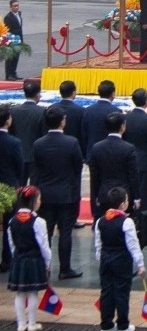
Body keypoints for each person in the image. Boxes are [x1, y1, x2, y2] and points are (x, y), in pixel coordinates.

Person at [30, 106, 83, 280]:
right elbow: (78, 167)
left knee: (45, 232)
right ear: (62, 122)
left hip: (45, 194)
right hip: (67, 194)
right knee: (65, 233)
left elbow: (35, 172)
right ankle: (65, 269)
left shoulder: (38, 144)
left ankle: (43, 267)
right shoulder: (72, 142)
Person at [93, 186, 146, 331]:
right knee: (122, 292)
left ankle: (106, 324)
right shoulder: (126, 222)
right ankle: (123, 325)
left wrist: (101, 258)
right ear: (123, 204)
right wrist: (140, 264)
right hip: (121, 260)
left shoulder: (100, 221)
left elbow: (98, 244)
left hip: (106, 259)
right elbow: (133, 245)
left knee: (107, 291)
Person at [7, 185, 50, 331]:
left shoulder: (12, 221)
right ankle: (31, 324)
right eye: (38, 199)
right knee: (32, 292)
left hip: (19, 259)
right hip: (34, 260)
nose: (40, 201)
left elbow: (12, 243)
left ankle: (21, 324)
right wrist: (47, 262)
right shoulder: (39, 222)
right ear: (33, 202)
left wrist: (16, 258)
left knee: (19, 293)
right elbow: (44, 245)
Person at [87, 112, 140, 216]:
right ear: (122, 126)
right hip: (123, 196)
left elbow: (94, 175)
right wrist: (137, 197)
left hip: (104, 193)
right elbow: (133, 175)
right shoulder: (129, 148)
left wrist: (96, 195)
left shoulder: (96, 147)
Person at [124, 90, 147, 215]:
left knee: (128, 191)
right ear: (146, 101)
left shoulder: (125, 118)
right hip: (144, 163)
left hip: (127, 160)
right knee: (144, 194)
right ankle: (143, 223)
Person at [0, 105, 24, 272]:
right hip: (9, 186)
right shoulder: (14, 142)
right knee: (9, 224)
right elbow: (19, 166)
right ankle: (7, 259)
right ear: (8, 121)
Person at [9, 81, 43, 184]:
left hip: (17, 154)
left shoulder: (13, 111)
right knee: (33, 190)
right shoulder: (41, 112)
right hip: (35, 157)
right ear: (37, 94)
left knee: (18, 187)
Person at [80, 80, 119, 160]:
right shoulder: (117, 111)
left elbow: (83, 134)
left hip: (92, 154)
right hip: (112, 155)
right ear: (113, 93)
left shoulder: (88, 110)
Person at [4, 0, 23, 80]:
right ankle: (9, 75)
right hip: (12, 40)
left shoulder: (19, 14)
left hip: (18, 39)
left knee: (16, 58)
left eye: (17, 5)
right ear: (11, 7)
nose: (16, 7)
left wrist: (21, 40)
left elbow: (19, 28)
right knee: (10, 58)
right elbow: (7, 30)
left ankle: (14, 73)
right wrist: (10, 41)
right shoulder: (8, 17)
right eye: (14, 6)